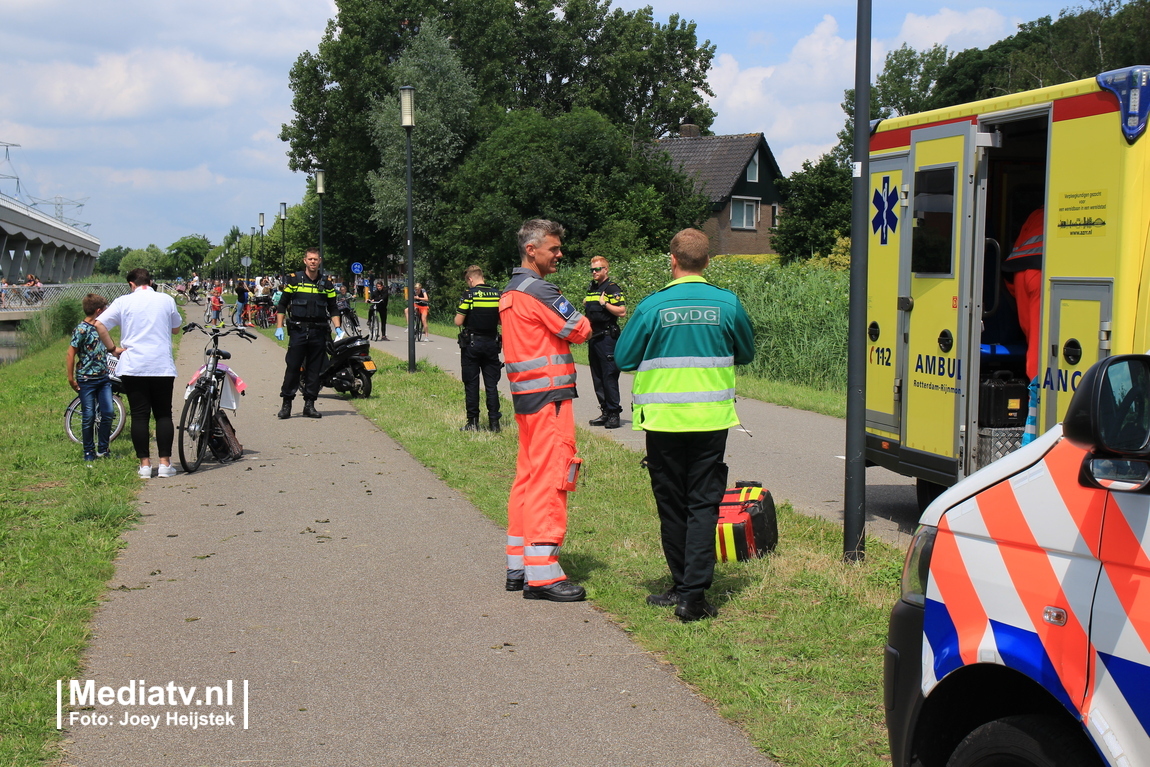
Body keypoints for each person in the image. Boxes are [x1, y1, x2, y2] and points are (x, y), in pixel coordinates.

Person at [615, 228, 755, 622]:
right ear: (707, 262)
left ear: (672, 260)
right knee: (703, 504)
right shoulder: (727, 304)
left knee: (672, 504)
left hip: (662, 421)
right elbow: (745, 352)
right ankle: (692, 596)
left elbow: (624, 358)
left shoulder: (652, 306)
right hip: (710, 420)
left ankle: (681, 587)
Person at [500, 219, 591, 602]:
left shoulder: (510, 290)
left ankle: (519, 566)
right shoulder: (540, 290)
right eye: (553, 248)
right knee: (551, 479)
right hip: (550, 398)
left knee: (527, 477)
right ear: (531, 250)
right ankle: (543, 575)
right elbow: (580, 329)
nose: (559, 254)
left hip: (527, 400)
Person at [95, 268, 184, 480]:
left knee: (140, 415)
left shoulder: (123, 302)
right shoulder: (165, 300)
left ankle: (145, 465)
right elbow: (176, 328)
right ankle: (165, 463)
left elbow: (99, 325)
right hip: (161, 364)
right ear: (150, 282)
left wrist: (112, 349)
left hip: (133, 365)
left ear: (131, 284)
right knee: (163, 414)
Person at [274, 247, 342, 419]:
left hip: (318, 331)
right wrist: (279, 326)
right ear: (305, 261)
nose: (313, 262)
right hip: (298, 331)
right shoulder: (294, 280)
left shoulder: (326, 284)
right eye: (310, 259)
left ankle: (309, 404)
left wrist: (338, 327)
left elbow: (333, 307)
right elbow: (282, 304)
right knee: (293, 367)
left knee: (314, 370)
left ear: (319, 261)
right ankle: (286, 403)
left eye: (316, 259)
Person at [66, 293, 116, 462]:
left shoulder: (101, 328)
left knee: (108, 412)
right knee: (89, 416)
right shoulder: (81, 329)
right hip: (86, 379)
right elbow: (71, 353)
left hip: (104, 378)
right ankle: (89, 451)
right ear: (98, 310)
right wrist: (71, 378)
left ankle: (103, 448)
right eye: (105, 309)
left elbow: (110, 347)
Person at [454, 265, 502, 432]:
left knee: (471, 383)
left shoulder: (469, 295)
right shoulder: (497, 294)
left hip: (472, 345)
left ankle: (473, 422)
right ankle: (494, 424)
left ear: (470, 279)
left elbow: (458, 321)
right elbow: (501, 320)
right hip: (491, 344)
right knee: (491, 385)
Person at [583, 256, 627, 429]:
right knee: (598, 377)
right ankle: (605, 411)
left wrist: (605, 304)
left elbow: (622, 311)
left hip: (608, 338)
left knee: (609, 376)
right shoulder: (592, 288)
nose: (594, 272)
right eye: (592, 269)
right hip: (594, 337)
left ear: (606, 270)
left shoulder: (611, 288)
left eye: (598, 269)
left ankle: (614, 413)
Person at [1003, 208, 1043, 382]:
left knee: (1032, 339)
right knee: (1038, 343)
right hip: (1042, 273)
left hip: (1019, 273)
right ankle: (1035, 400)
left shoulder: (1037, 213)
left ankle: (1033, 393)